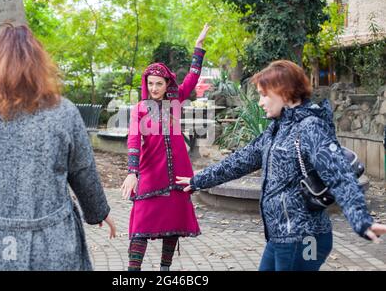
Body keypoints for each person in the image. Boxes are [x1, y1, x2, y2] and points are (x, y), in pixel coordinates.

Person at [0, 23, 116, 271]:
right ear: (40, 64)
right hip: (53, 246)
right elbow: (83, 171)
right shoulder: (64, 112)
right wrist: (99, 212)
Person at [177, 60, 386, 271]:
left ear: (284, 93)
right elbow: (239, 161)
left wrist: (361, 220)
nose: (260, 102)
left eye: (264, 94)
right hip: (280, 237)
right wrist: (199, 180)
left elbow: (338, 173)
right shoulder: (277, 129)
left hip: (305, 238)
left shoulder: (310, 127)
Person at [121, 24, 210, 271]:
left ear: (166, 83)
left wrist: (198, 48)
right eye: (150, 84)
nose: (154, 88)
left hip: (178, 172)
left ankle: (165, 270)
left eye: (158, 83)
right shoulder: (140, 109)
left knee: (173, 222)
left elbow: (192, 79)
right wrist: (132, 172)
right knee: (140, 225)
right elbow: (133, 140)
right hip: (151, 172)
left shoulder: (175, 100)